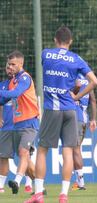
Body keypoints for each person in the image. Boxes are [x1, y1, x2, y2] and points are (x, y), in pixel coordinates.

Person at [25, 26, 97, 203]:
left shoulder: (45, 54)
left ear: (55, 40)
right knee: (68, 152)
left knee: (42, 151)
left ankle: (39, 194)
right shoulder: (76, 59)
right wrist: (78, 96)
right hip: (70, 111)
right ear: (70, 41)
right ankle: (64, 195)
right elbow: (94, 81)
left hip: (52, 109)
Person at [0, 51, 39, 195]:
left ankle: (16, 181)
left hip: (30, 121)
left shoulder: (25, 78)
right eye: (8, 64)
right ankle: (40, 187)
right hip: (17, 124)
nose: (10, 66)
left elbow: (15, 94)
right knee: (26, 161)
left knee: (23, 152)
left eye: (13, 64)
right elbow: (3, 100)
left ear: (21, 64)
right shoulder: (12, 81)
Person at [72, 73, 97, 191]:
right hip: (84, 119)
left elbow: (75, 88)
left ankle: (80, 183)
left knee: (75, 149)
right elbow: (93, 100)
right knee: (75, 149)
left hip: (75, 117)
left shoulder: (73, 77)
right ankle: (78, 181)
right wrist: (93, 119)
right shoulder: (88, 80)